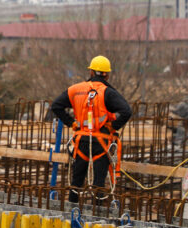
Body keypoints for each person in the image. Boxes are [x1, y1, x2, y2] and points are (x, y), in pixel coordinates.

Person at [51, 55, 132, 202]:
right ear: (106, 75)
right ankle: (97, 215)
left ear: (91, 72)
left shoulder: (76, 90)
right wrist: (113, 126)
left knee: (76, 181)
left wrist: (71, 123)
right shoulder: (108, 92)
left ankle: (72, 211)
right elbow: (127, 111)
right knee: (98, 183)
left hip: (81, 141)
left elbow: (56, 106)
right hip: (101, 143)